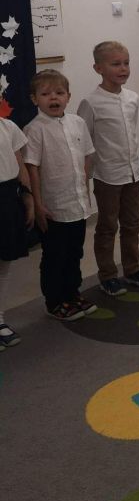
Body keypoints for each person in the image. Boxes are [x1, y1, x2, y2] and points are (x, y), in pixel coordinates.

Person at [77, 41, 139, 297]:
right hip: (107, 176)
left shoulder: (132, 98)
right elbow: (83, 142)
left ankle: (132, 269)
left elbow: (135, 133)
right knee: (108, 226)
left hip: (133, 173)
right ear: (98, 68)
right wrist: (84, 178)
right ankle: (108, 275)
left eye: (126, 63)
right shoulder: (91, 102)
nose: (123, 69)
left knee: (132, 223)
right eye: (116, 64)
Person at [24, 69, 96, 321]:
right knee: (55, 255)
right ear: (34, 99)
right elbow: (32, 169)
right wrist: (38, 204)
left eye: (59, 92)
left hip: (77, 203)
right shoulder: (34, 130)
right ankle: (54, 301)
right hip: (53, 207)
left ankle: (72, 293)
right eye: (45, 94)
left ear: (68, 96)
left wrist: (85, 193)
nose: (53, 98)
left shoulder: (78, 123)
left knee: (75, 252)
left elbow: (86, 159)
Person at [0, 117, 35, 345]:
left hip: (6, 198)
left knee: (4, 263)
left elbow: (20, 164)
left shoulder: (7, 127)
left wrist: (27, 195)